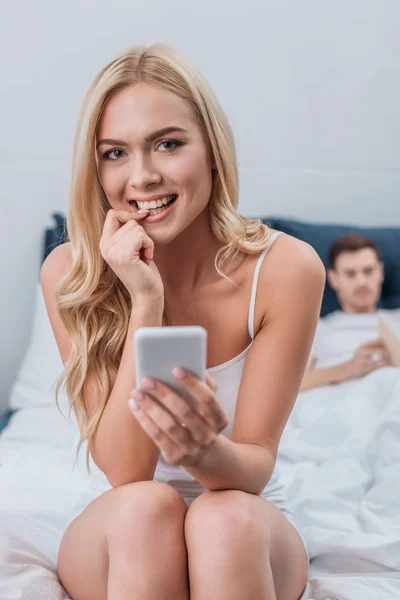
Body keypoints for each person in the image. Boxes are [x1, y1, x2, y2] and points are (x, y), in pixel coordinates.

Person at [40, 43, 325, 600]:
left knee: (223, 521)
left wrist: (201, 452)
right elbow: (126, 471)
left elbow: (253, 469)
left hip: (243, 511)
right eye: (115, 153)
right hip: (126, 521)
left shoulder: (287, 269)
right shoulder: (69, 273)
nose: (142, 177)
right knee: (149, 509)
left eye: (167, 145)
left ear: (213, 151)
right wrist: (145, 300)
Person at [301, 233, 396, 393]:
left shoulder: (396, 319)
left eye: (368, 271)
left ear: (380, 272)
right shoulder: (318, 329)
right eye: (350, 274)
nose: (361, 282)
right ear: (333, 278)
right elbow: (292, 386)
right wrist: (349, 368)